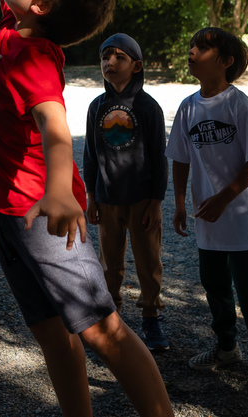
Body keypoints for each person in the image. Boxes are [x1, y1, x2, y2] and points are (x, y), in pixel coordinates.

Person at [0, 0, 173, 417]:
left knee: (103, 331)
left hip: (44, 214)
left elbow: (56, 125)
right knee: (54, 335)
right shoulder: (16, 28)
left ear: (35, 2)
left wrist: (61, 189)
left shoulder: (32, 58)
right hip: (7, 211)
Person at [167, 27, 248, 397]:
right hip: (209, 222)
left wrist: (223, 199)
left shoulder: (239, 104)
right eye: (191, 45)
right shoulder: (188, 106)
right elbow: (180, 158)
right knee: (215, 287)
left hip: (244, 221)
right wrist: (178, 204)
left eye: (202, 48)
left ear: (226, 61)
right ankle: (227, 347)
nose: (191, 52)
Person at [83, 33, 169, 351]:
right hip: (106, 200)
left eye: (119, 57)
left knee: (148, 263)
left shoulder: (149, 108)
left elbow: (160, 158)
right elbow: (90, 155)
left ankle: (151, 316)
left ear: (137, 65)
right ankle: (111, 317)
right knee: (109, 265)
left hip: (143, 200)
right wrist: (91, 198)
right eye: (105, 57)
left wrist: (157, 202)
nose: (110, 62)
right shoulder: (97, 107)